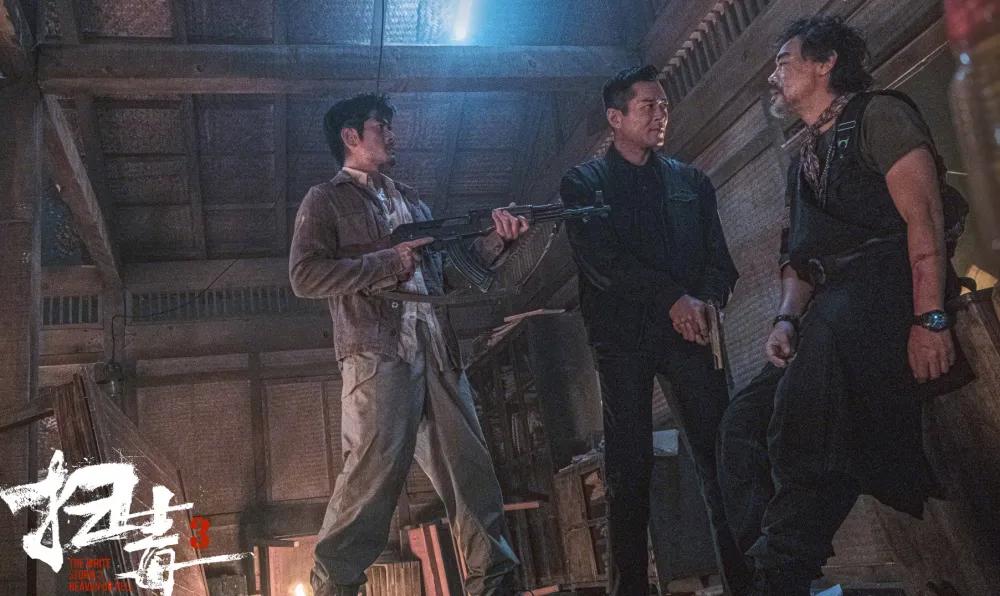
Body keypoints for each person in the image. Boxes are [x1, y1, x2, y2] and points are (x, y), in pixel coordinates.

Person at [716, 16, 973, 594]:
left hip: (889, 288)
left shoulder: (881, 115)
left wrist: (930, 319)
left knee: (807, 413)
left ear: (825, 62)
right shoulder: (803, 159)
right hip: (830, 306)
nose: (774, 76)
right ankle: (768, 568)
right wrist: (785, 318)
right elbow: (799, 259)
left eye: (783, 62)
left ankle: (785, 565)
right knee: (741, 424)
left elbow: (925, 219)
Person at [289, 92, 529, 596]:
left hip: (437, 351)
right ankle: (334, 587)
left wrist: (498, 241)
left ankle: (494, 583)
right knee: (371, 478)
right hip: (377, 353)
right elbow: (305, 276)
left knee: (470, 473)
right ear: (351, 137)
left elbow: (447, 281)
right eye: (382, 126)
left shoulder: (414, 202)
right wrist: (387, 262)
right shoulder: (325, 199)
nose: (393, 134)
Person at [559, 65, 748, 596]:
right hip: (623, 343)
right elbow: (603, 263)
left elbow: (720, 261)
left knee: (721, 461)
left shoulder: (691, 182)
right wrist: (671, 297)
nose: (661, 114)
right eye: (648, 106)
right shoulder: (584, 184)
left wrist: (705, 303)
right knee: (629, 473)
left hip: (690, 335)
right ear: (615, 117)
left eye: (664, 105)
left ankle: (749, 582)